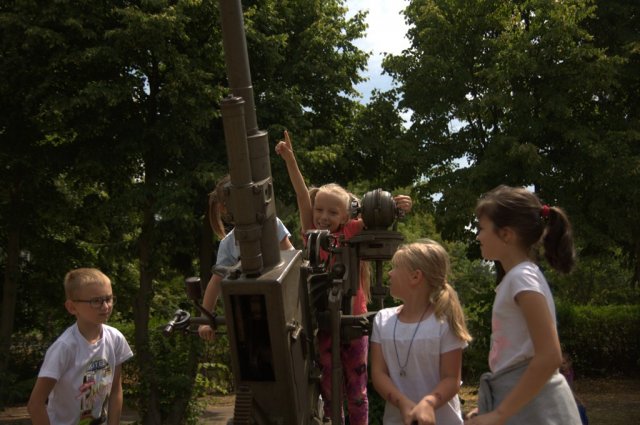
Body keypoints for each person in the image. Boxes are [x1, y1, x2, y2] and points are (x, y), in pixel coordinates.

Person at [275, 130, 412, 425]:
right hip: (323, 319)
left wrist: (397, 206)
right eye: (319, 209)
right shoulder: (312, 232)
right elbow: (302, 194)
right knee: (328, 387)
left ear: (346, 216)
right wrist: (290, 160)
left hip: (353, 317)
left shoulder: (351, 231)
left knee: (357, 389)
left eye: (332, 212)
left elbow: (378, 212)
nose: (323, 216)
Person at [465, 185, 582, 425]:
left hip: (539, 411)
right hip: (527, 407)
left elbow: (549, 356)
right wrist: (494, 406)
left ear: (506, 234)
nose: (478, 236)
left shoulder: (522, 278)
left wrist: (500, 414)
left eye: (482, 228)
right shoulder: (518, 278)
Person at [370, 240, 472, 425]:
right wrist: (402, 403)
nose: (389, 273)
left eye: (395, 268)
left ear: (415, 277)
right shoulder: (382, 319)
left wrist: (428, 404)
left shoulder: (443, 322)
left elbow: (451, 378)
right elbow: (378, 374)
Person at [27, 268, 134, 425]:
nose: (105, 306)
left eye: (109, 298)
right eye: (96, 301)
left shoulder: (115, 339)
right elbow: (35, 404)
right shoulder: (64, 347)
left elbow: (115, 391)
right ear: (72, 307)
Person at [197, 174, 294, 341]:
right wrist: (205, 321)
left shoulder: (272, 225)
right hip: (249, 313)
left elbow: (291, 259)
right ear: (225, 209)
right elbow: (215, 283)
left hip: (281, 303)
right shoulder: (228, 244)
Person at [560, 352, 589, 425]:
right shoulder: (561, 375)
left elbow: (571, 388)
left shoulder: (570, 372)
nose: (562, 366)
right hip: (563, 397)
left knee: (582, 409)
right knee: (579, 410)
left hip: (569, 395)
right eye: (560, 363)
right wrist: (579, 400)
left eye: (564, 363)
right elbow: (567, 390)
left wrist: (578, 400)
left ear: (569, 363)